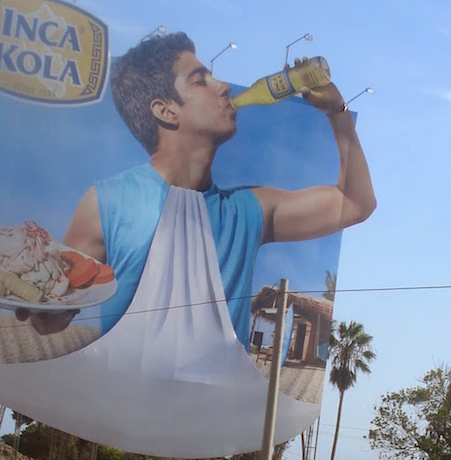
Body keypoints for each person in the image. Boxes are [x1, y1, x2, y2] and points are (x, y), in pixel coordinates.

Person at [25, 32, 376, 340]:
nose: (223, 86)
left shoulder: (249, 209)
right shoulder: (106, 202)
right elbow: (56, 313)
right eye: (200, 80)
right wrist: (35, 306)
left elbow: (355, 204)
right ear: (165, 110)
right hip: (122, 408)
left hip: (217, 411)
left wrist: (338, 113)